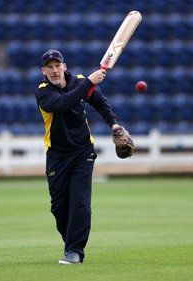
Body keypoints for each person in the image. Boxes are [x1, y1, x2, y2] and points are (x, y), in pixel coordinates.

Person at [35, 49, 127, 265]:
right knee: (59, 208)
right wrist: (89, 82)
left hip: (82, 152)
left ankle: (75, 251)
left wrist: (114, 124)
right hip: (57, 155)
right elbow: (63, 103)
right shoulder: (43, 91)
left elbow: (100, 102)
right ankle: (71, 243)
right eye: (50, 67)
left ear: (64, 67)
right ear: (44, 71)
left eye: (58, 66)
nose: (55, 70)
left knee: (80, 204)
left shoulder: (79, 82)